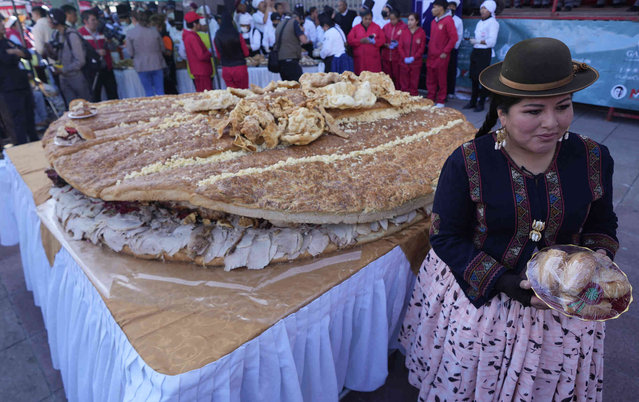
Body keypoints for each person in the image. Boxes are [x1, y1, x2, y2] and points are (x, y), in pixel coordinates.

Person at [400, 37, 616, 401]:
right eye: (533, 111)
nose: (552, 122)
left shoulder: (593, 157)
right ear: (502, 113)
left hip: (563, 310)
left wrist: (594, 261)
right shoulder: (469, 162)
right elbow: (446, 238)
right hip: (483, 304)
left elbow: (601, 224)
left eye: (563, 106)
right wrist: (506, 283)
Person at [0, 22, 38, 145]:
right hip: (8, 88)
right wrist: (15, 53)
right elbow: (6, 59)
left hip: (22, 84)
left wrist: (14, 52)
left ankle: (35, 143)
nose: (2, 26)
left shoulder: (7, 41)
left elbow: (26, 54)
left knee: (30, 118)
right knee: (18, 122)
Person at [47, 8, 91, 106]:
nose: (48, 22)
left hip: (76, 77)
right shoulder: (56, 35)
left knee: (85, 106)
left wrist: (63, 70)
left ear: (55, 20)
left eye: (49, 19)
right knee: (71, 108)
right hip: (64, 78)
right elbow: (59, 57)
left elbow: (80, 61)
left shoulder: (72, 35)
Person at [464, 0, 499, 112]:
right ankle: (473, 101)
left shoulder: (493, 23)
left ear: (491, 10)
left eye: (485, 8)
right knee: (473, 78)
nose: (482, 11)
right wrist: (475, 42)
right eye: (481, 8)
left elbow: (492, 42)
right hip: (476, 51)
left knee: (482, 78)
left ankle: (481, 103)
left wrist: (478, 41)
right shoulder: (480, 22)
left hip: (485, 53)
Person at [78, 9, 118, 101]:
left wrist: (110, 41)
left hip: (106, 68)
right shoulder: (80, 34)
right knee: (95, 96)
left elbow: (113, 48)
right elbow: (80, 52)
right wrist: (95, 53)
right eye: (93, 20)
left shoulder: (103, 31)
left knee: (113, 94)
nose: (96, 22)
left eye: (96, 19)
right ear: (85, 21)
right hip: (92, 70)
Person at [126, 10, 166, 96]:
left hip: (141, 65)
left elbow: (130, 52)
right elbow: (162, 48)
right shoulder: (155, 32)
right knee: (160, 91)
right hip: (157, 63)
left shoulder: (130, 33)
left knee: (148, 91)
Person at [425, 0, 457, 107]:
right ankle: (430, 97)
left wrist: (445, 51)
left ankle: (441, 100)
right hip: (431, 55)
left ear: (441, 8)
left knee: (441, 78)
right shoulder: (433, 21)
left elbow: (454, 38)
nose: (432, 9)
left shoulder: (448, 20)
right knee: (430, 78)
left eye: (435, 7)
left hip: (441, 56)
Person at [347, 0, 385, 75]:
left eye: (369, 19)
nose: (367, 21)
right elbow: (350, 40)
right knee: (361, 80)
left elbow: (382, 40)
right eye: (366, 19)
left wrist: (375, 42)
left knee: (373, 80)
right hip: (360, 60)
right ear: (362, 18)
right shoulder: (356, 28)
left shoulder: (376, 27)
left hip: (373, 60)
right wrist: (360, 41)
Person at [214, 11, 249, 89]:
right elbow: (246, 53)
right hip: (240, 68)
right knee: (244, 93)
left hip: (226, 68)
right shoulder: (237, 34)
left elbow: (218, 55)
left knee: (232, 94)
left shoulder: (217, 36)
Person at [182, 11, 213, 92]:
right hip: (202, 70)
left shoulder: (188, 36)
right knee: (207, 95)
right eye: (198, 22)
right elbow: (201, 55)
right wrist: (210, 52)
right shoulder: (192, 37)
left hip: (198, 70)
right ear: (194, 24)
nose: (200, 24)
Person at [397, 13, 426, 97]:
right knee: (404, 84)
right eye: (408, 20)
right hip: (404, 62)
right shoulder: (404, 32)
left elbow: (421, 48)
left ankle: (413, 100)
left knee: (414, 83)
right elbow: (400, 46)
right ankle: (404, 101)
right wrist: (404, 57)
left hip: (415, 63)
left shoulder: (421, 32)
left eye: (412, 20)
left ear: (417, 21)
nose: (409, 22)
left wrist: (414, 57)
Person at [274, 11, 309, 81]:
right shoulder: (294, 22)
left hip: (281, 60)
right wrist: (302, 31)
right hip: (291, 60)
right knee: (299, 85)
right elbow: (304, 40)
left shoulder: (280, 24)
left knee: (287, 87)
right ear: (297, 18)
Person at [150, 13, 178, 95]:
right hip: (164, 70)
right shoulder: (159, 37)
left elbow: (169, 53)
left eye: (152, 26)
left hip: (167, 70)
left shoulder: (165, 37)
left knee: (170, 92)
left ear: (159, 27)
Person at [381, 7, 406, 89]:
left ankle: (398, 93)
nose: (392, 21)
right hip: (386, 56)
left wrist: (398, 44)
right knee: (387, 77)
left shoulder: (404, 27)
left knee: (398, 77)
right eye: (390, 19)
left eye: (394, 19)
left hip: (397, 57)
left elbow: (406, 41)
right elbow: (381, 39)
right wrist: (385, 44)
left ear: (398, 18)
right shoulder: (386, 27)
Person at [447, 0, 463, 99]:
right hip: (442, 49)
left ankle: (450, 91)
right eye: (449, 6)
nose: (451, 8)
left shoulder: (458, 20)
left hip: (452, 49)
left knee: (451, 71)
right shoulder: (441, 18)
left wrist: (453, 47)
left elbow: (459, 35)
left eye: (453, 7)